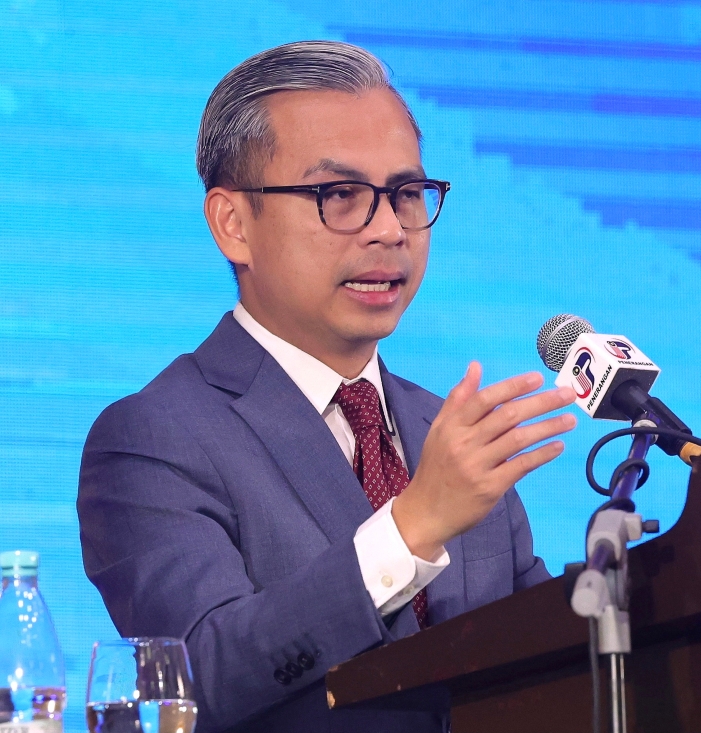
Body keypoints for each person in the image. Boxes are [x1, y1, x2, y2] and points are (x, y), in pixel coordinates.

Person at [77, 41, 576, 733]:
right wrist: (413, 526)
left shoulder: (448, 433)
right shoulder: (155, 438)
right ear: (233, 224)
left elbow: (548, 668)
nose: (387, 229)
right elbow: (199, 678)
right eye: (339, 195)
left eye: (405, 193)